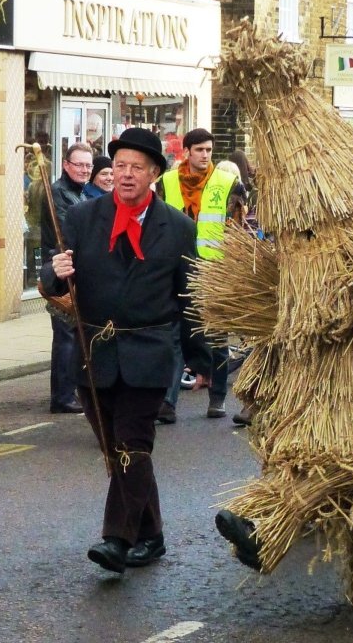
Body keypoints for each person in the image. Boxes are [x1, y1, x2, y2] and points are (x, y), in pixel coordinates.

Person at [39, 127, 211, 573]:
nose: (127, 174)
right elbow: (55, 281)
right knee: (118, 453)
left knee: (133, 444)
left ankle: (117, 539)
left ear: (154, 173)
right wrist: (54, 273)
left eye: (137, 167)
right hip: (94, 354)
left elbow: (189, 298)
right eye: (119, 166)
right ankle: (151, 536)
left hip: (149, 354)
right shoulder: (81, 219)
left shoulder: (178, 229)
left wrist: (201, 359)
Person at [155, 128, 246, 423]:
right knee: (176, 335)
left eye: (209, 150)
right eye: (199, 150)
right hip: (175, 267)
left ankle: (217, 398)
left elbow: (237, 229)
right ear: (187, 152)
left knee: (216, 336)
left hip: (213, 269)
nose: (205, 155)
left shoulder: (228, 183)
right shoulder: (166, 182)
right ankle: (168, 402)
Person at [41, 142, 95, 414]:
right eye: (79, 164)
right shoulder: (60, 193)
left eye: (88, 165)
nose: (84, 170)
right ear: (66, 165)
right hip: (59, 272)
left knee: (73, 334)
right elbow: (68, 232)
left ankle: (68, 390)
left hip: (74, 270)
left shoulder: (79, 193)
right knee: (65, 335)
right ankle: (61, 397)